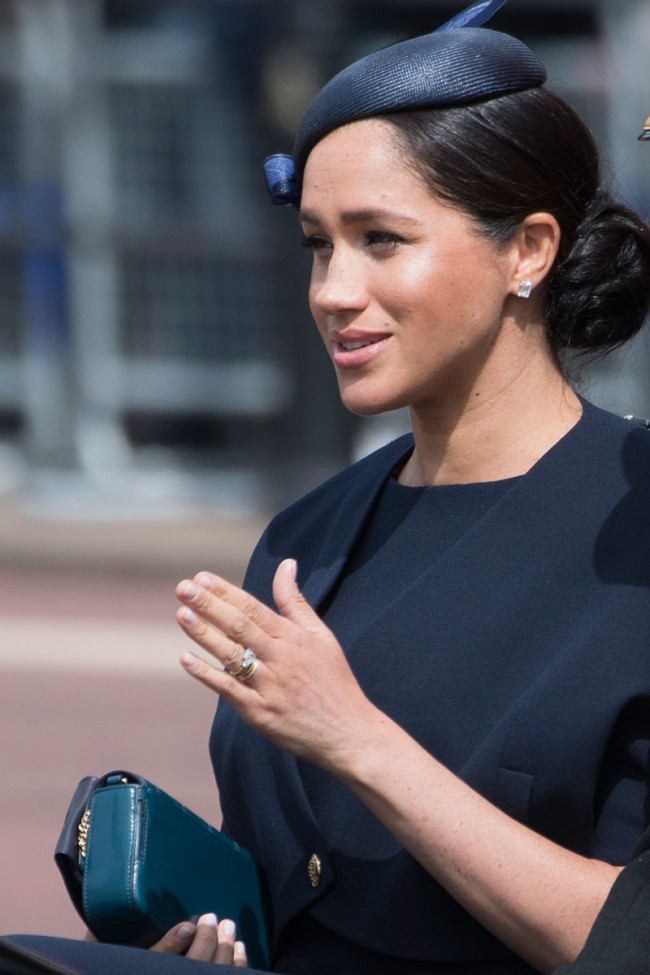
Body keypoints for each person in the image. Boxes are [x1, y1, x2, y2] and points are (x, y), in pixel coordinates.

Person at [5, 1, 650, 973]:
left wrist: (356, 741)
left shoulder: (628, 527)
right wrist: (215, 943)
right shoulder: (309, 538)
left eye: (381, 240)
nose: (332, 289)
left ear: (527, 250)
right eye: (317, 243)